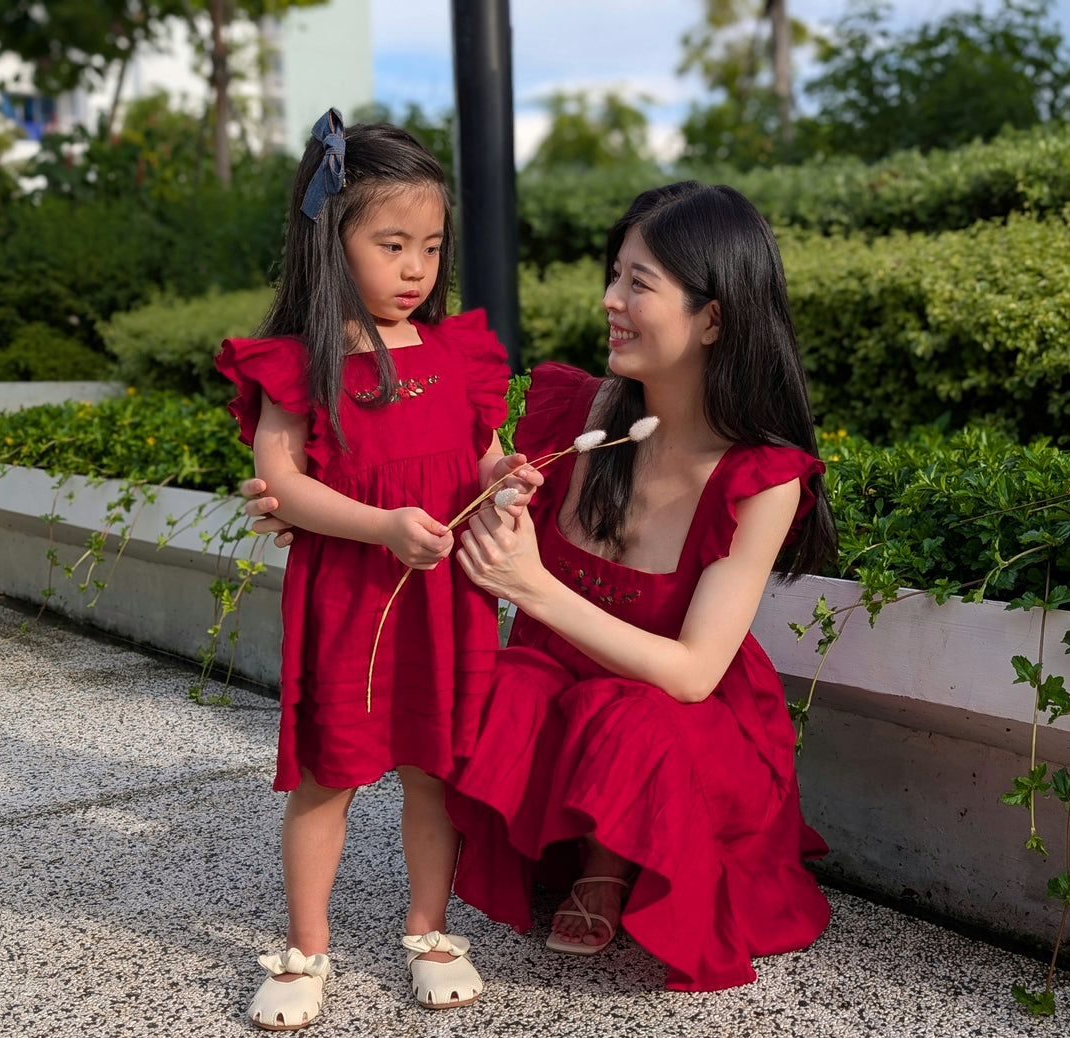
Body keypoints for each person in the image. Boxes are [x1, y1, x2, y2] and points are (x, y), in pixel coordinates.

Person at [243, 181, 838, 992]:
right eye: (614, 273)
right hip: (561, 701)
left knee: (625, 717)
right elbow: (439, 473)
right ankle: (547, 857)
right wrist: (317, 511)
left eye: (639, 283)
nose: (609, 300)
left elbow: (694, 673)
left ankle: (611, 862)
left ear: (714, 315)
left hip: (679, 728)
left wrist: (533, 587)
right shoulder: (574, 420)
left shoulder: (759, 477)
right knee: (492, 690)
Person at [216, 108, 538, 1030]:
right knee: (332, 773)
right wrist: (380, 524)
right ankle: (305, 947)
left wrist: (502, 479)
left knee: (433, 769)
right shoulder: (301, 364)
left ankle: (428, 930)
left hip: (446, 600)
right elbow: (281, 483)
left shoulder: (456, 352)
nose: (414, 270)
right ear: (330, 244)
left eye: (430, 247)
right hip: (352, 602)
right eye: (391, 243)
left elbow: (483, 453)